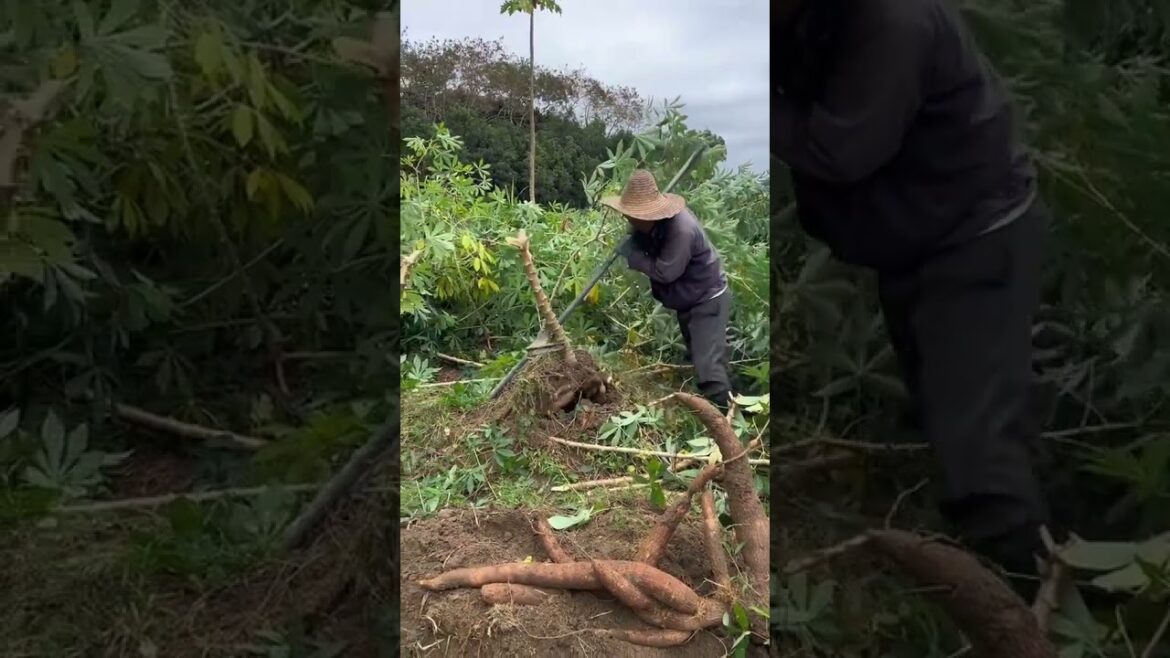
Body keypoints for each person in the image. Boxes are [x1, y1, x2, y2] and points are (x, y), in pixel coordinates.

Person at [774, 0, 1059, 593]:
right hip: (924, 239)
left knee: (978, 451)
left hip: (973, 241)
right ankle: (1028, 563)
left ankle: (1030, 606)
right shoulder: (815, 19)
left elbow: (843, 150)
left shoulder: (892, 21)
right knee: (951, 414)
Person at [602, 169, 733, 411]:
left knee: (709, 369)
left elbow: (666, 272)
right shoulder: (657, 225)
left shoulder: (681, 230)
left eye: (632, 216)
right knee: (701, 356)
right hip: (691, 298)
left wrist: (634, 256)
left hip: (707, 299)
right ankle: (723, 405)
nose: (628, 220)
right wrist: (637, 241)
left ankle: (726, 420)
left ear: (647, 215)